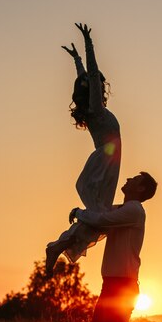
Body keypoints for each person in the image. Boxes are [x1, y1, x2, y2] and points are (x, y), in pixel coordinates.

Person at [46, 23, 121, 277]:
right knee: (100, 215)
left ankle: (59, 245)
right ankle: (58, 245)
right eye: (96, 84)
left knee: (100, 217)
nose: (100, 83)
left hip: (108, 160)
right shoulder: (96, 111)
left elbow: (86, 79)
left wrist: (77, 58)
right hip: (106, 160)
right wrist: (88, 44)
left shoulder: (94, 111)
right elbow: (90, 76)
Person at [69, 171, 158, 322]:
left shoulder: (134, 210)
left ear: (141, 188)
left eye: (134, 179)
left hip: (121, 286)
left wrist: (78, 213)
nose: (128, 179)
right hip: (113, 285)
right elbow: (102, 214)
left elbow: (101, 219)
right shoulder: (124, 209)